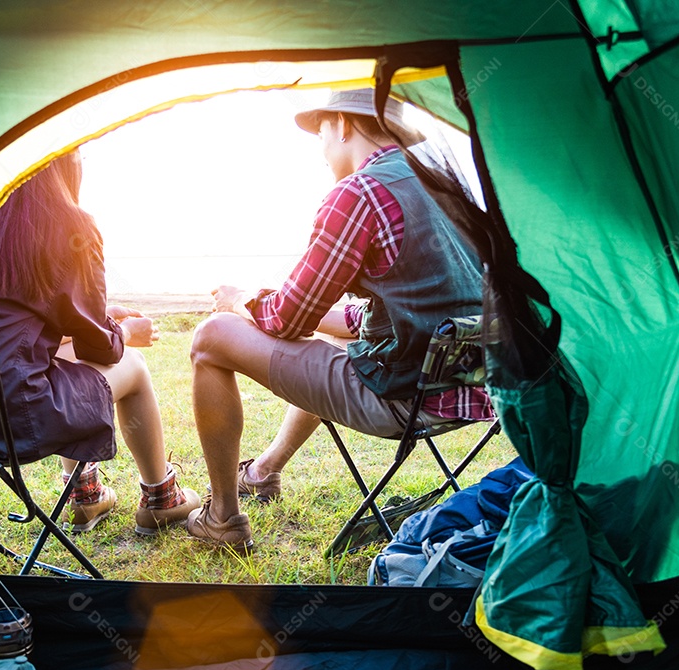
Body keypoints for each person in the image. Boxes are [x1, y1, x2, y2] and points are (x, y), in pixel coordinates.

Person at [186, 89, 493, 552]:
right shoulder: (447, 185)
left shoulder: (361, 193)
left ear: (343, 124)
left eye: (322, 133)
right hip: (475, 388)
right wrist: (306, 315)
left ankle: (223, 518)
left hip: (405, 397)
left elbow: (285, 319)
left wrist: (241, 300)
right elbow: (410, 308)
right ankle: (264, 472)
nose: (322, 149)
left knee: (211, 338)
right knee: (328, 344)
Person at [0, 152, 199, 535]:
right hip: (3, 420)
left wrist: (101, 316)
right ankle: (162, 499)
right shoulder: (68, 224)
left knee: (58, 356)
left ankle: (86, 496)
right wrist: (126, 333)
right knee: (134, 367)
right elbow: (101, 350)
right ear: (66, 165)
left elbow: (6, 322)